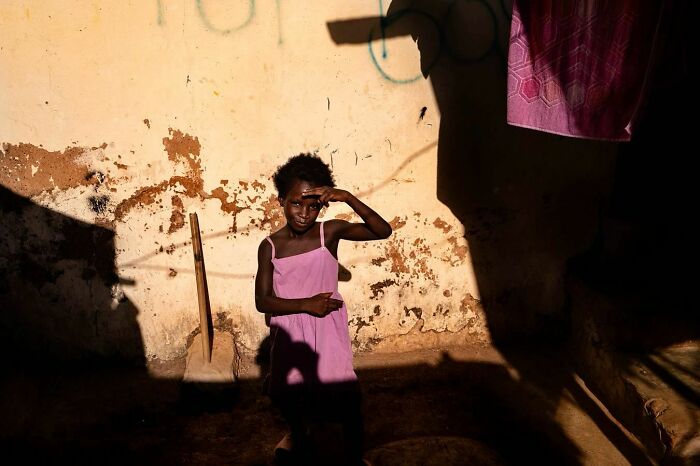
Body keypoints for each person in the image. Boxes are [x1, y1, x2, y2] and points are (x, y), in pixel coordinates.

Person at [255, 153, 392, 465]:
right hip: (290, 331)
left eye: (313, 204)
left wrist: (347, 197)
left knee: (346, 400)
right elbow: (262, 300)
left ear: (322, 205)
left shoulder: (328, 233)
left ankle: (355, 458)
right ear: (281, 200)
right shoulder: (271, 246)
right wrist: (307, 304)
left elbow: (382, 230)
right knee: (293, 397)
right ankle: (298, 435)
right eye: (296, 203)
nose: (305, 213)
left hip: (327, 331)